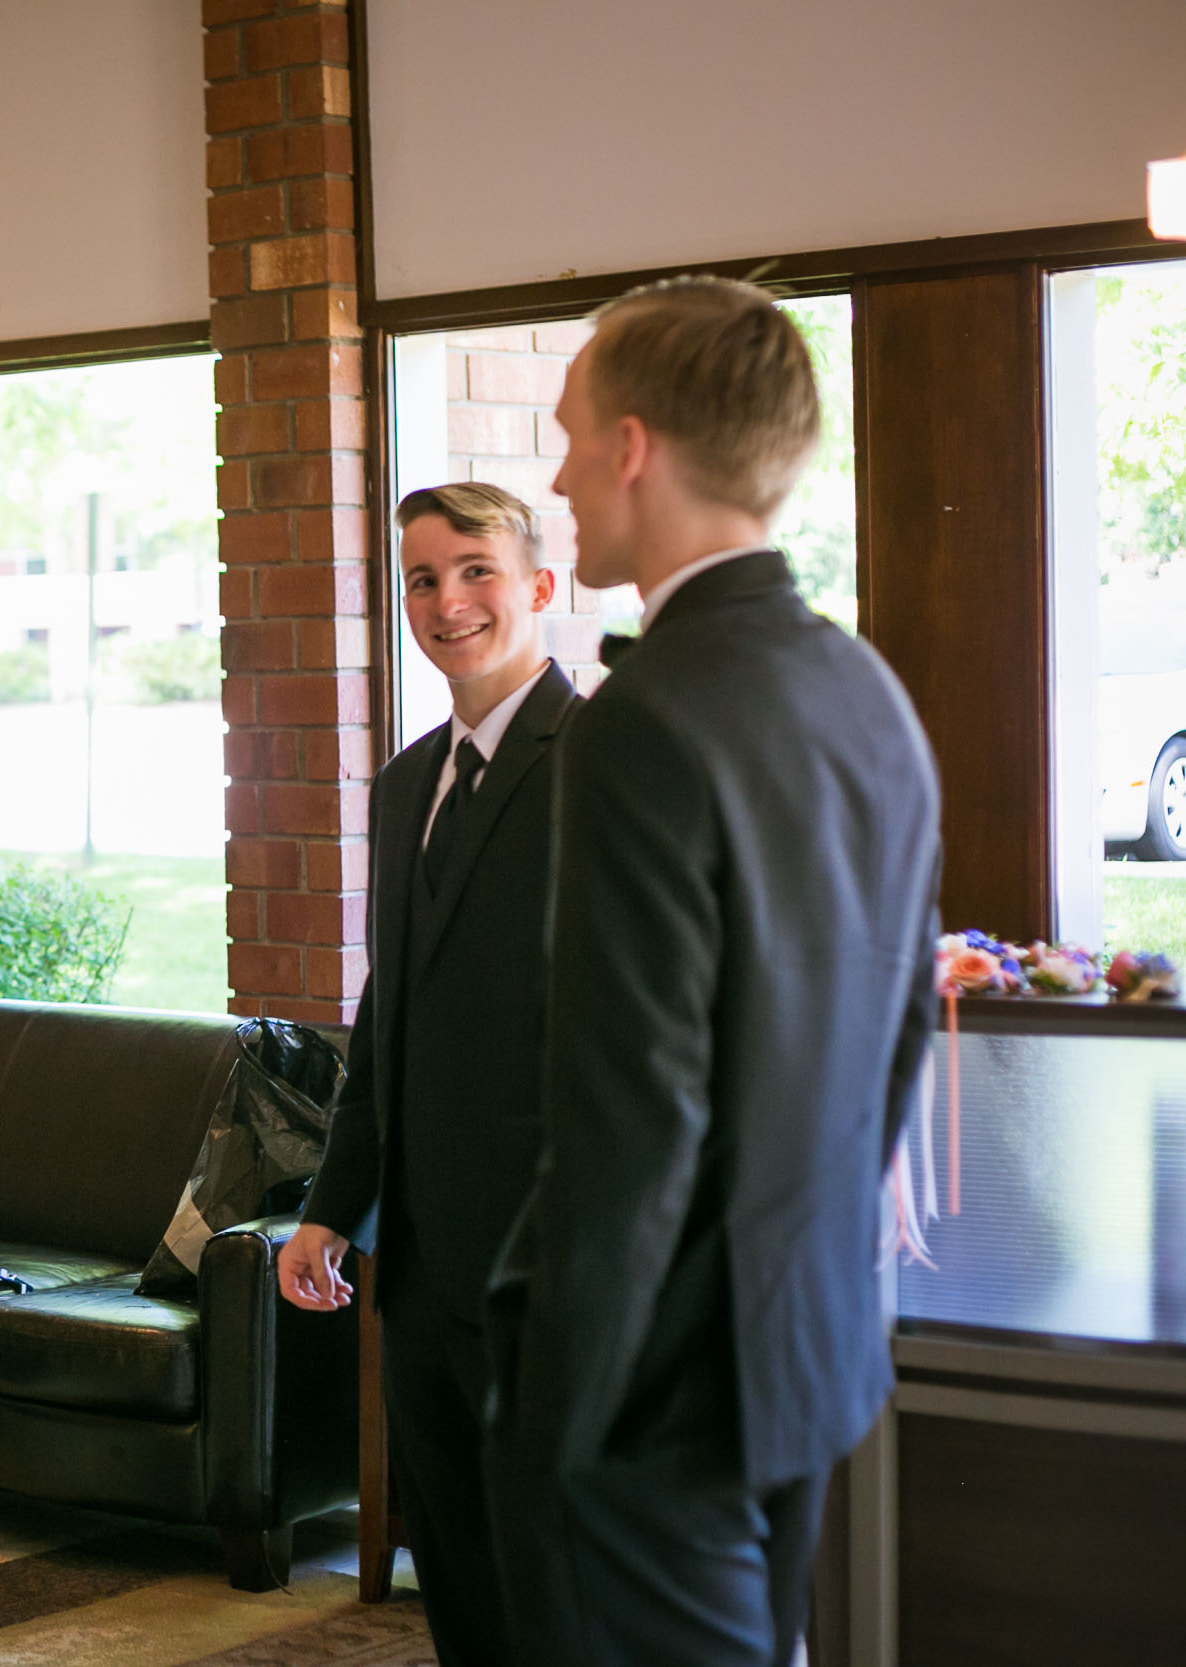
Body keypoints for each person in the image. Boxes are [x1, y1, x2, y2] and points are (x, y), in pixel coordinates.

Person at [483, 277, 942, 1667]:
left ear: (635, 446)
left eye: (569, 438)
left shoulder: (643, 724)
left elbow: (632, 1113)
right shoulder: (866, 691)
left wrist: (549, 1419)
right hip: (807, 1358)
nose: (557, 477)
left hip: (651, 1391)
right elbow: (901, 1034)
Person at [277, 481, 578, 1664]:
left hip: (550, 1267)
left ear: (538, 587)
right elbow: (385, 1017)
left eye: (475, 571)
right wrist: (329, 1210)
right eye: (420, 577)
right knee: (456, 1575)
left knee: (555, 1580)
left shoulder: (601, 764)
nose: (446, 600)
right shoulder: (405, 783)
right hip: (421, 1265)